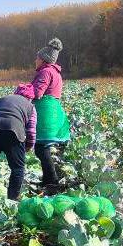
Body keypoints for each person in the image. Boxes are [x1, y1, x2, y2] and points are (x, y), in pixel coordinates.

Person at [20, 38, 70, 192]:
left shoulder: (45, 72)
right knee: (43, 148)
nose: (35, 60)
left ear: (43, 59)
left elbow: (37, 93)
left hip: (44, 113)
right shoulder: (55, 72)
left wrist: (23, 90)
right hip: (53, 112)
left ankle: (52, 182)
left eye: (37, 58)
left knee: (41, 148)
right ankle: (49, 180)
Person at [0, 86, 38, 200]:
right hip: (12, 132)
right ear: (30, 98)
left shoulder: (1, 100)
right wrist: (28, 147)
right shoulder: (30, 107)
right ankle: (12, 199)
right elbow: (31, 131)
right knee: (17, 168)